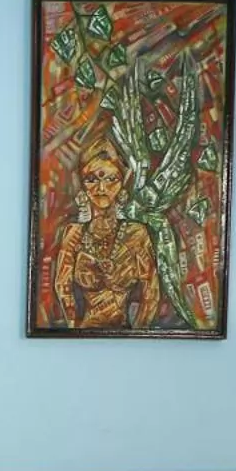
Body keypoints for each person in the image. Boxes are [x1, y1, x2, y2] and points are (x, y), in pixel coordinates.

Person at [50, 137, 160, 330]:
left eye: (111, 179)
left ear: (122, 184)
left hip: (126, 335)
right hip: (83, 333)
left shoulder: (136, 234)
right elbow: (62, 287)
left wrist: (137, 334)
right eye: (92, 180)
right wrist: (74, 328)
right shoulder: (74, 233)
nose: (101, 188)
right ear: (83, 186)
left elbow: (151, 292)